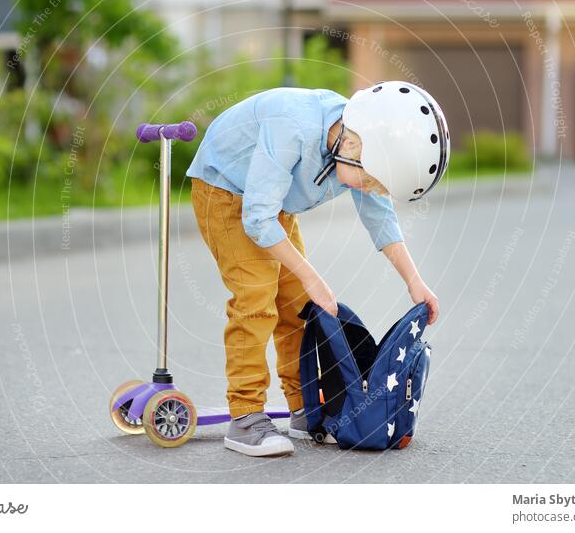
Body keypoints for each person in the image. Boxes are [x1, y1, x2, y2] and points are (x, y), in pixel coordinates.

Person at [186, 80, 450, 457]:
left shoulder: (356, 139)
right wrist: (312, 277)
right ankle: (245, 419)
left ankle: (304, 408)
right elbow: (258, 220)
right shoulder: (292, 126)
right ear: (352, 147)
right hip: (227, 192)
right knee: (257, 298)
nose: (373, 189)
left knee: (297, 306)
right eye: (373, 181)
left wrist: (415, 281)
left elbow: (380, 216)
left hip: (273, 205)